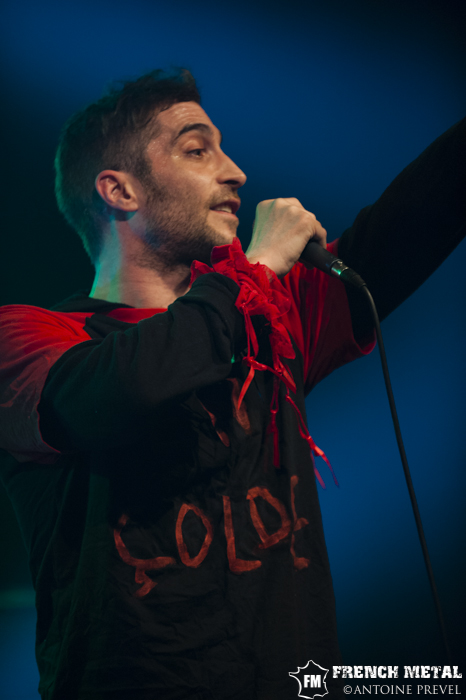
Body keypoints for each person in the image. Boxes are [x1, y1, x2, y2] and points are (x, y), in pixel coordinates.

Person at [0, 68, 464, 700]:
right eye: (197, 150)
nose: (236, 172)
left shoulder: (267, 313)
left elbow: (414, 221)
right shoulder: (32, 336)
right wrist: (258, 268)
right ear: (119, 190)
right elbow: (120, 389)